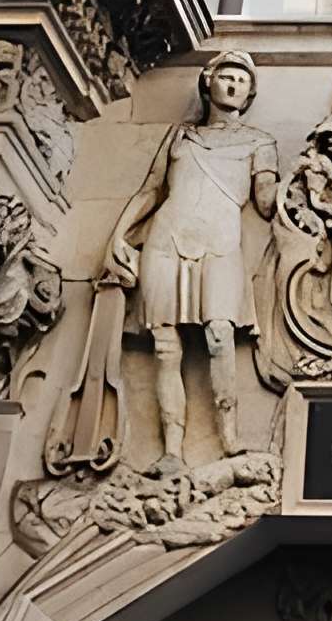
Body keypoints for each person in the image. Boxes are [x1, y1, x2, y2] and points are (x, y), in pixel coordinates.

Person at [102, 49, 279, 469]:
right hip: (167, 237)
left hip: (220, 242)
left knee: (219, 335)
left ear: (250, 92)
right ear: (208, 82)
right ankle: (172, 450)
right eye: (225, 77)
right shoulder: (181, 136)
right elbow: (151, 189)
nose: (233, 85)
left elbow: (267, 205)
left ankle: (229, 437)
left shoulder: (260, 142)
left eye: (241, 81)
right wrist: (118, 235)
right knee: (166, 346)